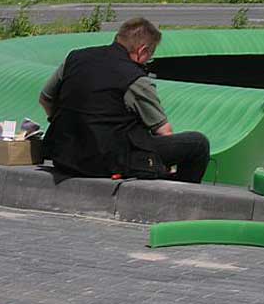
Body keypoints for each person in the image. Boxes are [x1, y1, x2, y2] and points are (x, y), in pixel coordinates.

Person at [39, 17, 210, 183]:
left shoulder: (74, 58)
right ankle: (180, 197)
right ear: (142, 51)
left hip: (64, 156)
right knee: (197, 144)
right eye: (149, 56)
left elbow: (45, 99)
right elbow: (164, 131)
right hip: (107, 162)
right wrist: (166, 165)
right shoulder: (135, 78)